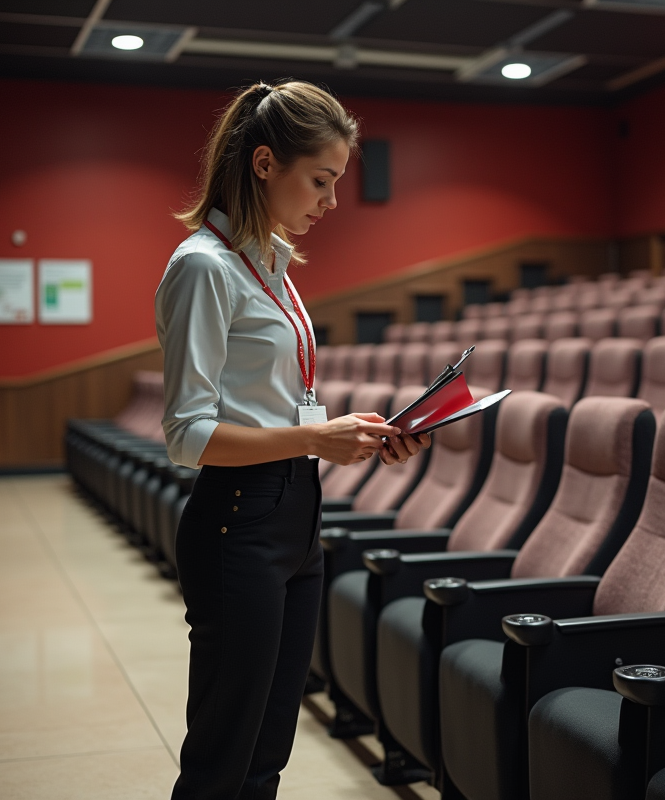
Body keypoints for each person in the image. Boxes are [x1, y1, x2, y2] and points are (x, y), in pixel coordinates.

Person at [156, 80, 430, 799]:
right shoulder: (203, 268)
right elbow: (188, 435)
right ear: (265, 163)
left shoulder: (273, 263)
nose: (331, 202)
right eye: (322, 180)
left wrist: (354, 436)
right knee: (223, 754)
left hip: (295, 517)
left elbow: (278, 402)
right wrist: (312, 441)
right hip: (237, 519)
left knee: (268, 749)